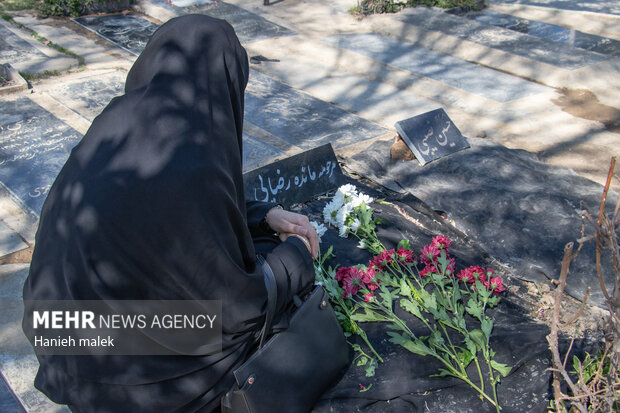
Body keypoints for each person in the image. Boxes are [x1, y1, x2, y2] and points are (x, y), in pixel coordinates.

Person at [22, 14, 318, 412]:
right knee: (263, 318)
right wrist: (296, 257)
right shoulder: (193, 153)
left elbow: (163, 212)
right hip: (120, 377)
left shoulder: (116, 123)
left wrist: (264, 215)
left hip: (56, 335)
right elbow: (235, 311)